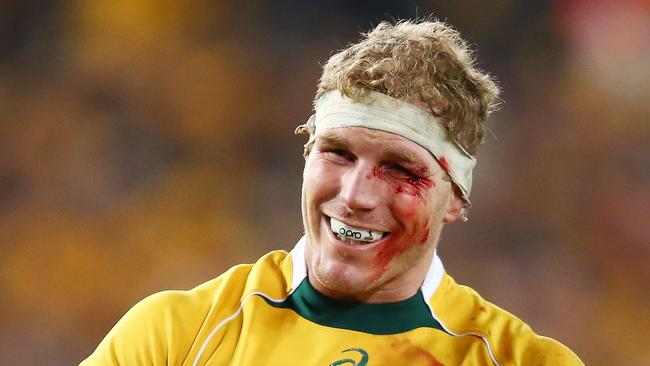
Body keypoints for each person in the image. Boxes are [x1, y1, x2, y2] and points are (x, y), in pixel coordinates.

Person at [81, 19, 584, 365]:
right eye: (337, 153)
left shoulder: (522, 360)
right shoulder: (175, 338)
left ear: (454, 197)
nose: (355, 194)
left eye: (399, 168)